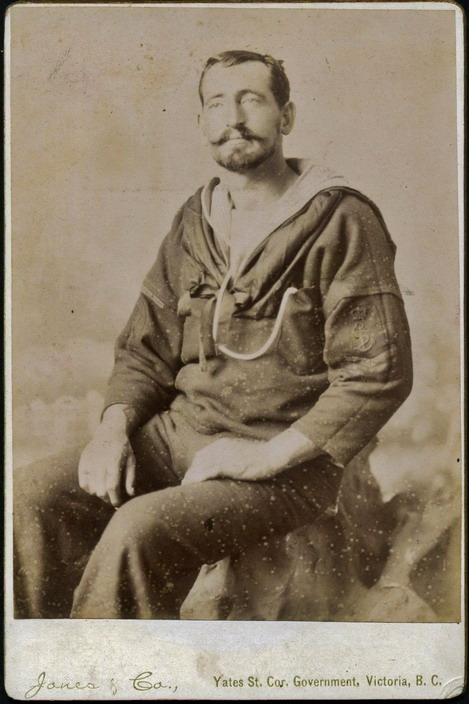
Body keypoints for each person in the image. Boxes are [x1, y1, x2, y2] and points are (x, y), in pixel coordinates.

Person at [14, 50, 413, 619]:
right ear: (202, 122)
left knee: (138, 530)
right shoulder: (195, 220)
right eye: (217, 104)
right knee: (30, 497)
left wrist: (265, 457)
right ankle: (37, 662)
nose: (234, 118)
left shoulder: (343, 219)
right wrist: (111, 430)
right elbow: (144, 350)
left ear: (287, 116)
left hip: (287, 459)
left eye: (252, 100)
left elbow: (378, 373)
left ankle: (116, 667)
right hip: (180, 436)